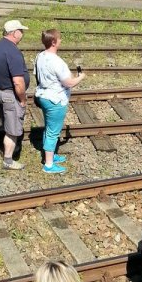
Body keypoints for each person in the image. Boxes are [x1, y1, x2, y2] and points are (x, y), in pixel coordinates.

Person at [34, 29, 85, 174]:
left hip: (43, 96)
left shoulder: (40, 56)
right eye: (59, 39)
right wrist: (81, 77)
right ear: (54, 42)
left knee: (49, 128)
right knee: (52, 132)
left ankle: (49, 156)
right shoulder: (57, 61)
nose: (61, 40)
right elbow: (68, 83)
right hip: (55, 99)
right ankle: (48, 165)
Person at [0, 20, 30, 171]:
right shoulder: (13, 52)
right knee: (13, 130)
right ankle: (8, 160)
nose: (22, 34)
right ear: (14, 33)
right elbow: (18, 82)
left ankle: (10, 151)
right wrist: (23, 100)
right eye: (21, 31)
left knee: (7, 122)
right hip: (10, 94)